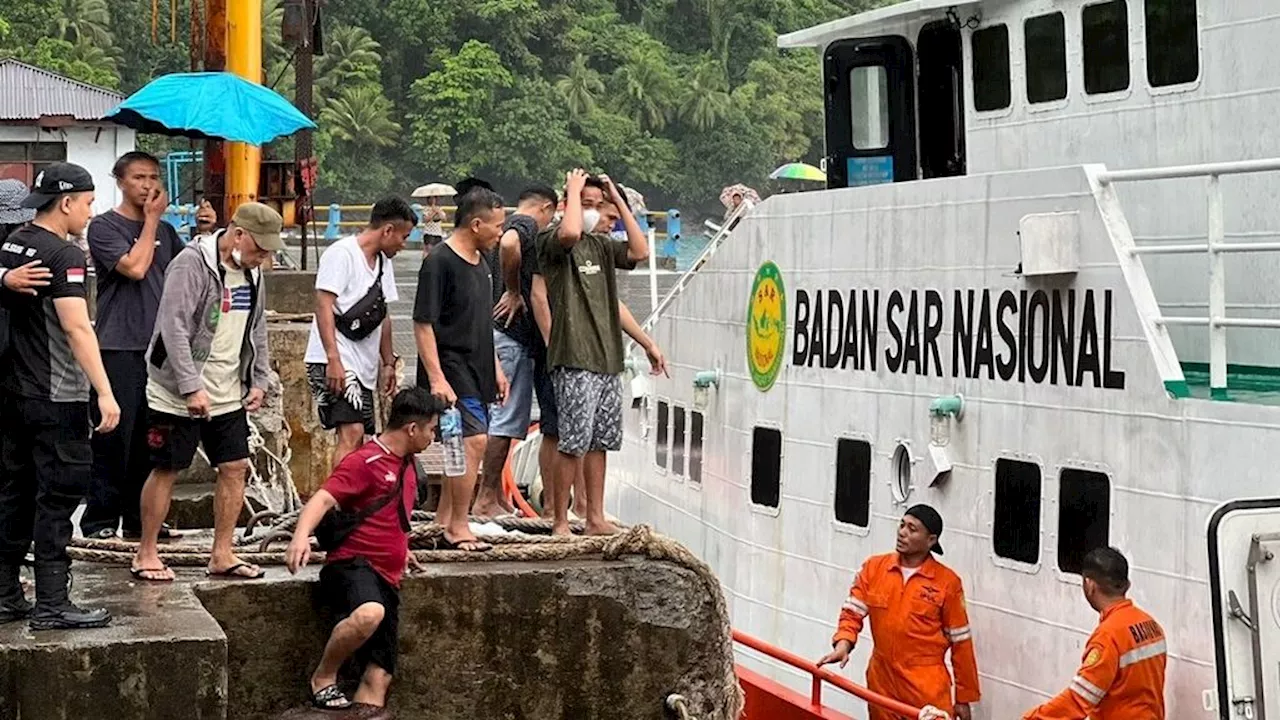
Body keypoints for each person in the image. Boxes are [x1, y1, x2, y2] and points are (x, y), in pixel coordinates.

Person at [130, 202, 284, 582]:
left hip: (229, 387)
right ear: (238, 234)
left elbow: (257, 328)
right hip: (176, 388)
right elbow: (173, 327)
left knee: (235, 467)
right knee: (168, 467)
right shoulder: (191, 263)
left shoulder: (253, 274)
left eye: (267, 252)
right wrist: (190, 386)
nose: (262, 258)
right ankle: (146, 551)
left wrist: (259, 379)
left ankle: (222, 553)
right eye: (259, 249)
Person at [0, 163, 121, 630]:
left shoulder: (15, 242)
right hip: (56, 393)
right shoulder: (63, 254)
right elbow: (76, 326)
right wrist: (105, 392)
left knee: (15, 489)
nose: (91, 213)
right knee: (59, 494)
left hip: (15, 391)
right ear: (67, 203)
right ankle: (52, 602)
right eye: (89, 203)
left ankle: (7, 592)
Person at [81, 151, 214, 542]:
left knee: (152, 438)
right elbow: (135, 268)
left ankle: (141, 521)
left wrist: (205, 233)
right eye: (139, 177)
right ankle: (100, 520)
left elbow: (193, 274)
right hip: (119, 345)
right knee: (114, 436)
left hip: (159, 350)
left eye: (154, 177)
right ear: (120, 181)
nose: (148, 185)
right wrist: (154, 220)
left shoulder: (169, 235)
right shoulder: (104, 227)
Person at [285, 387, 445, 711]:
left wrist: (402, 548)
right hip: (353, 565)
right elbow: (323, 498)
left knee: (380, 674)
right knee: (369, 613)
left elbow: (392, 515)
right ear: (412, 429)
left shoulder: (410, 465)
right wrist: (300, 537)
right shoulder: (364, 460)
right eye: (431, 429)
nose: (433, 437)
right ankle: (324, 676)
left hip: (389, 576)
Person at [537, 170, 650, 536]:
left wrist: (617, 201)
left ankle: (595, 517)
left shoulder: (602, 246)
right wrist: (572, 193)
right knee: (572, 440)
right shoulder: (552, 240)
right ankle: (560, 519)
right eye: (587, 205)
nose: (594, 213)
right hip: (573, 356)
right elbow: (569, 233)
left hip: (606, 357)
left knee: (600, 441)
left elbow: (640, 251)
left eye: (597, 206)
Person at [816, 505, 980, 720]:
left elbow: (961, 644)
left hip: (925, 687)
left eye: (912, 529)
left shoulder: (947, 583)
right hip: (881, 682)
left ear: (931, 540)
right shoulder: (874, 568)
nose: (902, 532)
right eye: (902, 525)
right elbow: (852, 613)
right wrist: (843, 643)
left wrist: (963, 697)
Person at [413, 185, 509, 552]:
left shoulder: (484, 263)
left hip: (479, 366)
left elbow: (483, 321)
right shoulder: (439, 261)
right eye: (496, 227)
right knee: (473, 441)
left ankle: (444, 519)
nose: (500, 234)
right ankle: (458, 524)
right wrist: (436, 376)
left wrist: (497, 366)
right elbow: (422, 323)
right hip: (451, 367)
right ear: (476, 224)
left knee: (460, 444)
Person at [305, 197, 416, 465]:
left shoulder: (382, 263)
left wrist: (388, 362)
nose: (404, 244)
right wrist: (333, 358)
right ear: (387, 230)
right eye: (404, 236)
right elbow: (323, 305)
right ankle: (339, 501)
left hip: (363, 363)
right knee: (351, 432)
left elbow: (383, 315)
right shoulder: (342, 254)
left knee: (361, 437)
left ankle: (350, 497)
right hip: (334, 358)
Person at [476, 185, 558, 517]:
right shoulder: (524, 226)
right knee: (506, 420)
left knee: (509, 420)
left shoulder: (514, 223)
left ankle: (494, 497)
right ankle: (485, 498)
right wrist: (513, 290)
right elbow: (510, 242)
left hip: (508, 338)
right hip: (513, 337)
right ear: (547, 208)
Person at [1022, 547, 1166, 719]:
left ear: (1089, 585)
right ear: (1127, 585)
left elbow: (1079, 699)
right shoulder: (1152, 625)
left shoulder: (1108, 637)